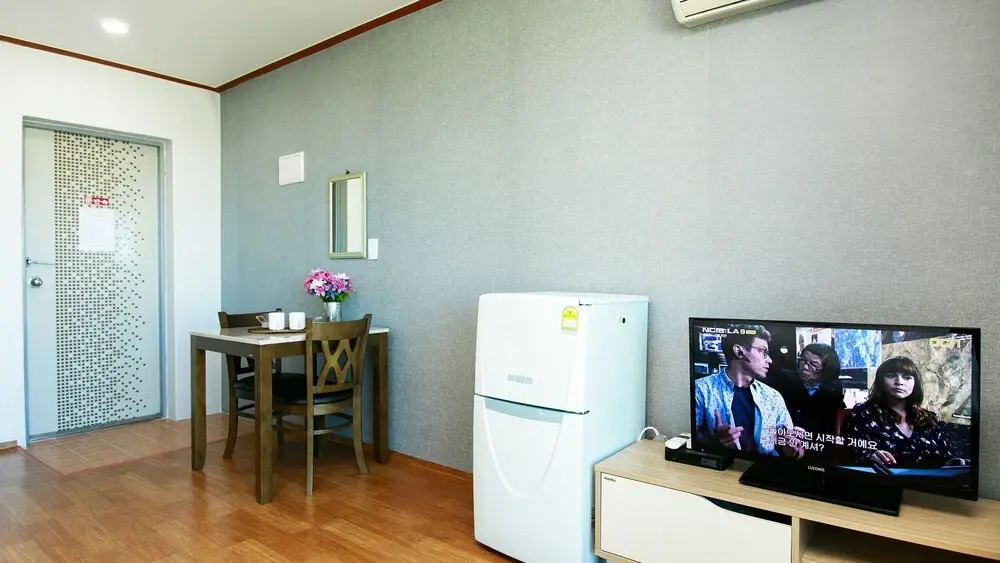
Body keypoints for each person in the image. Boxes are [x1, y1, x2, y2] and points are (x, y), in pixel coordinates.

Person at [694, 324, 803, 458]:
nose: (769, 360)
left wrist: (793, 450)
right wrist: (714, 441)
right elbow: (691, 442)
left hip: (765, 468)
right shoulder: (702, 389)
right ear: (739, 351)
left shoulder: (772, 396)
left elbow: (795, 452)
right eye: (763, 351)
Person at [844, 356, 966, 467]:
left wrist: (955, 463)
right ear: (881, 381)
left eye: (907, 377)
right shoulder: (865, 412)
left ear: (915, 383)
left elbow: (946, 456)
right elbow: (854, 452)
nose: (899, 382)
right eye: (891, 376)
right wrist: (870, 456)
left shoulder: (929, 418)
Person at [768, 343, 846, 436]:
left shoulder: (833, 388)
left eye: (814, 365)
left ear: (827, 368)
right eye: (803, 361)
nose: (805, 367)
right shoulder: (784, 380)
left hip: (818, 440)